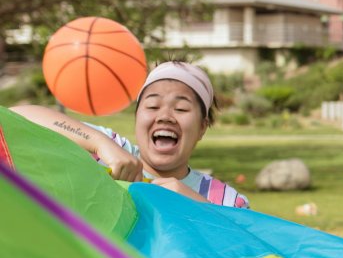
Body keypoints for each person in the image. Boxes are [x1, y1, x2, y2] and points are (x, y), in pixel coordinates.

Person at [12, 61, 249, 209]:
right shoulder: (108, 152)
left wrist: (197, 207)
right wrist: (99, 143)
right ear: (137, 119)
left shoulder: (225, 200)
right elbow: (17, 116)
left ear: (202, 127)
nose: (165, 116)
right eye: (153, 107)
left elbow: (253, 248)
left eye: (181, 109)